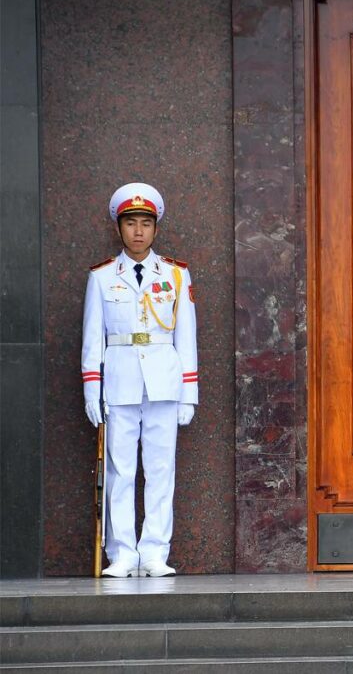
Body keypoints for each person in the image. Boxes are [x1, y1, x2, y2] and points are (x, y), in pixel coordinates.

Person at [82, 182, 198, 577]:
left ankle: (154, 552)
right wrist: (91, 390)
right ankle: (122, 553)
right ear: (119, 228)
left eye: (145, 223)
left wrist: (189, 394)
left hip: (164, 382)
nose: (138, 231)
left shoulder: (176, 275)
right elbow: (92, 338)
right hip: (119, 382)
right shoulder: (101, 277)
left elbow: (186, 336)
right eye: (130, 223)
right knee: (120, 471)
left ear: (155, 228)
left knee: (161, 469)